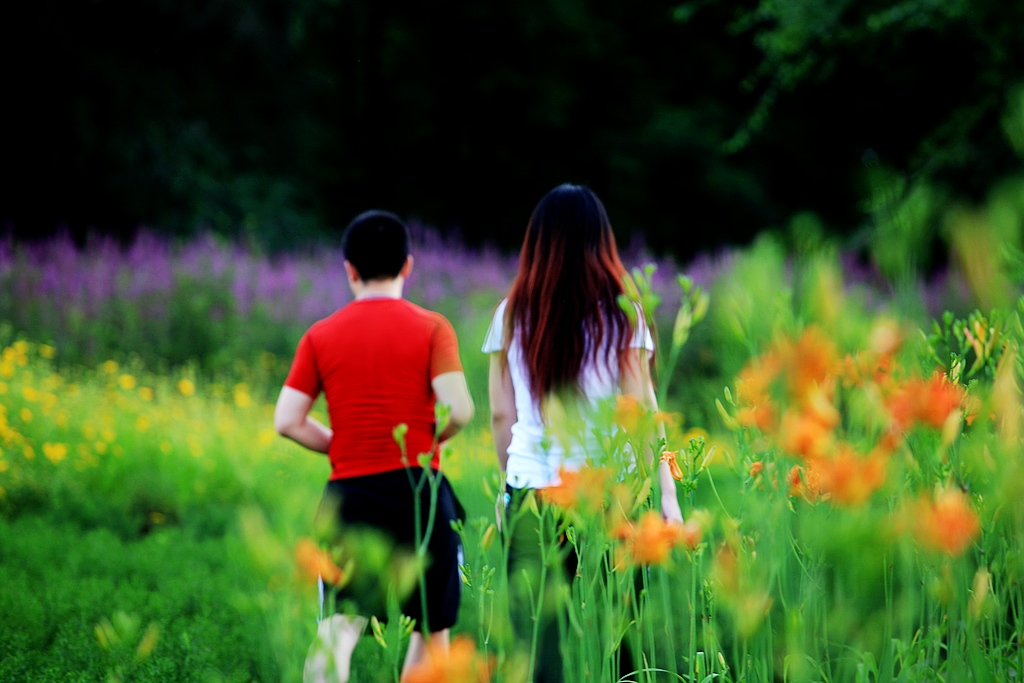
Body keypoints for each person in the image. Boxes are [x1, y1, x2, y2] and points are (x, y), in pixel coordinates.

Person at [482, 184, 683, 682]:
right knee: (622, 646)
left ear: (537, 241)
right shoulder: (624, 312)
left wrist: (509, 489)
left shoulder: (510, 315)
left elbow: (501, 418)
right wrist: (667, 492)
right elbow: (644, 414)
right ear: (603, 241)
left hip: (535, 493)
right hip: (612, 496)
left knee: (539, 653)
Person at [274, 210, 474, 683]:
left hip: (351, 495)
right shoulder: (433, 328)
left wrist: (339, 446)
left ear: (349, 269)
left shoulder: (320, 335)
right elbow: (461, 409)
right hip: (420, 494)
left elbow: (286, 420)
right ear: (408, 265)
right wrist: (433, 440)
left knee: (337, 627)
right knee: (431, 627)